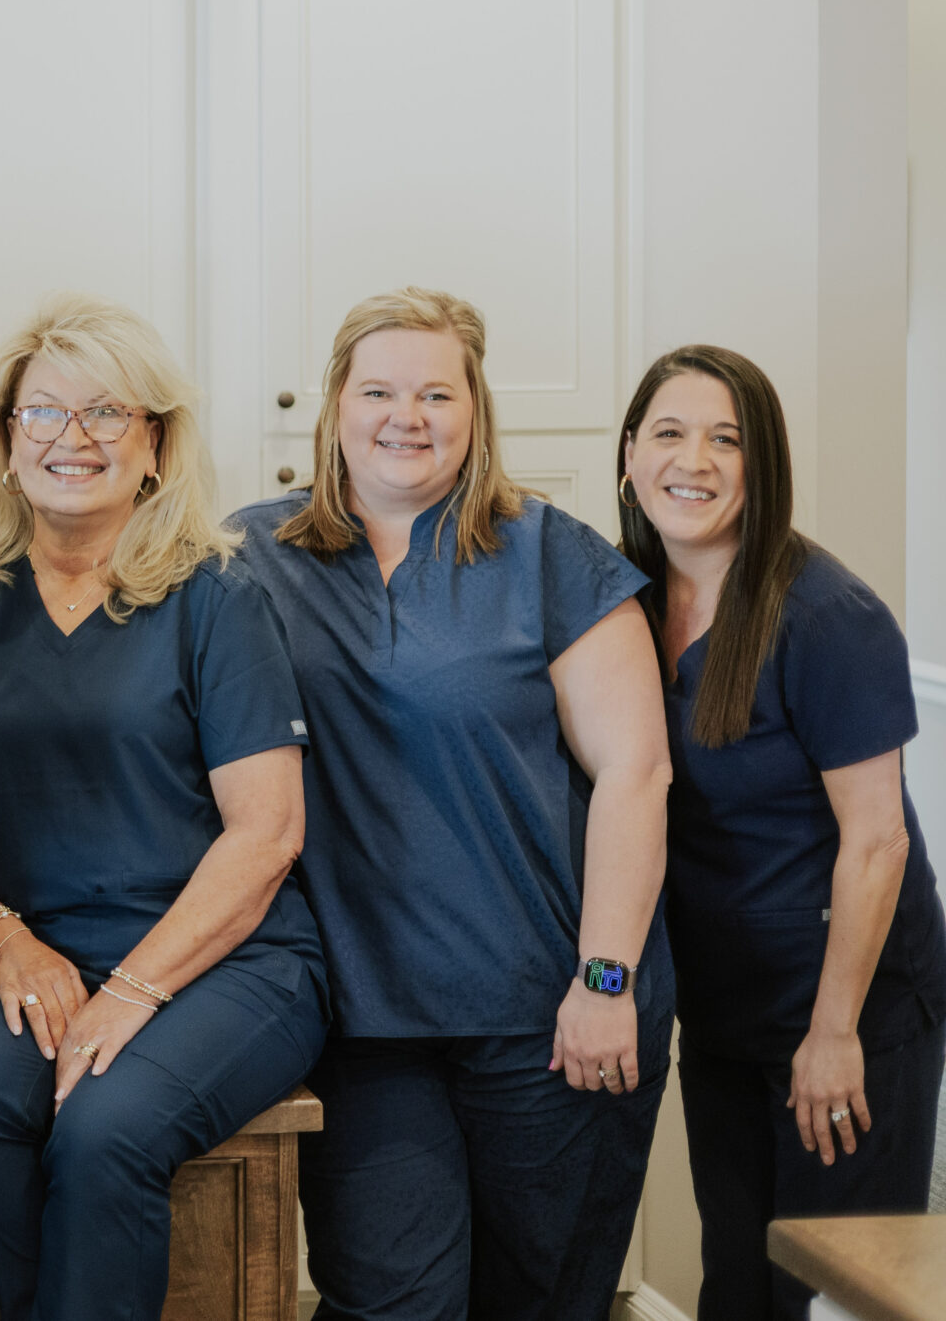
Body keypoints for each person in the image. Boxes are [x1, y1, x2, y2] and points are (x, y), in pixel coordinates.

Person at [228, 286, 674, 1321]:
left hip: (553, 1009)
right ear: (334, 404)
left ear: (475, 412)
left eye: (438, 392)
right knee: (392, 1303)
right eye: (378, 388)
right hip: (362, 1015)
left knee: (540, 1298)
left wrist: (604, 977)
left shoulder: (547, 555)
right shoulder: (251, 559)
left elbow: (635, 773)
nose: (406, 415)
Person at [0, 295, 326, 1321]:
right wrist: (0, 939)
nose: (71, 438)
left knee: (104, 1129)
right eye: (42, 412)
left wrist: (135, 989)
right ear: (5, 440)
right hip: (35, 952)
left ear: (156, 444)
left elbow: (266, 831)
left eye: (106, 414)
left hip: (224, 960)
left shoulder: (215, 598)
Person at [617, 345, 946, 1321]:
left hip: (851, 1015)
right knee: (741, 1286)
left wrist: (834, 1032)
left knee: (837, 1295)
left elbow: (876, 840)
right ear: (630, 454)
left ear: (763, 463)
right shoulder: (623, 603)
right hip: (725, 1014)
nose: (695, 460)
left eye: (727, 438)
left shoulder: (826, 616)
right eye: (670, 434)